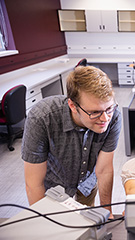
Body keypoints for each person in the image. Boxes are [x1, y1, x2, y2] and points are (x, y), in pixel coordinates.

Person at [22, 66, 121, 216]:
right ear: (73, 106)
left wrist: (106, 212)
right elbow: (34, 184)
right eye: (94, 112)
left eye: (108, 109)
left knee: (86, 225)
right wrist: (43, 221)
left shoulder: (113, 116)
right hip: (54, 188)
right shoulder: (41, 117)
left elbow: (104, 170)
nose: (105, 119)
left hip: (87, 184)